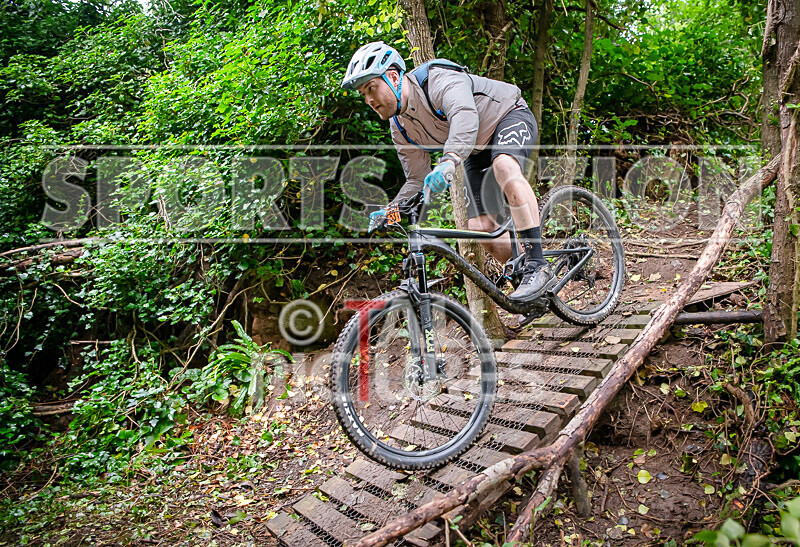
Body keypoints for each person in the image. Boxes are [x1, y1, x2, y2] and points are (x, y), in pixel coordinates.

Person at [341, 41, 554, 303]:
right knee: (481, 227)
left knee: (504, 166)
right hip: (474, 149)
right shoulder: (399, 127)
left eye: (371, 88)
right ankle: (530, 290)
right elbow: (416, 178)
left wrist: (449, 160)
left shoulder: (437, 80)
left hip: (508, 116)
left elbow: (465, 116)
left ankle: (537, 265)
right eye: (363, 94)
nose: (369, 100)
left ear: (393, 77)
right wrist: (392, 210)